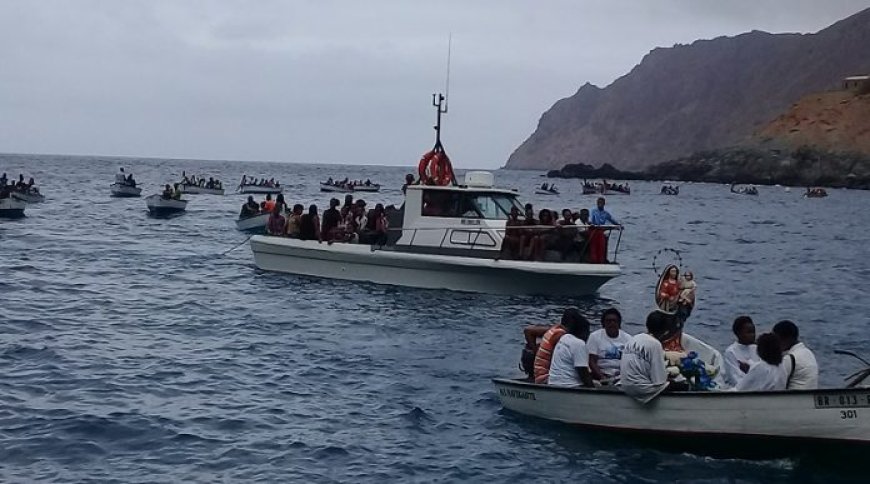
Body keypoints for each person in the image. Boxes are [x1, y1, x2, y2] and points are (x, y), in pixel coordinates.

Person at [620, 310, 681, 403]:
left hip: (624, 385)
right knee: (680, 385)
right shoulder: (655, 344)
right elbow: (659, 381)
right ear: (664, 331)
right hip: (640, 389)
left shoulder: (634, 338)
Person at [525, 308, 585, 384]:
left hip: (540, 373)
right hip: (545, 377)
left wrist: (536, 352)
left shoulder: (554, 329)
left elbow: (528, 330)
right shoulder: (561, 336)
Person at [547, 313, 594, 387]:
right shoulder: (579, 343)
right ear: (582, 331)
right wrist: (593, 389)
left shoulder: (564, 338)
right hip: (570, 386)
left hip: (553, 383)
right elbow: (583, 373)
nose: (588, 335)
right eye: (587, 331)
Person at [587, 308, 633, 383]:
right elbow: (592, 361)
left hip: (621, 377)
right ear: (603, 323)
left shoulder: (628, 338)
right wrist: (603, 378)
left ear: (619, 323)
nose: (612, 323)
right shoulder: (594, 337)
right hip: (600, 376)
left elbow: (631, 362)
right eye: (608, 321)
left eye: (614, 321)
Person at [773, 320, 819, 390]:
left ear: (786, 339)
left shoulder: (790, 359)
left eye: (776, 340)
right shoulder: (808, 353)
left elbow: (774, 385)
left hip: (792, 399)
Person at [723, 316, 759, 388]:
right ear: (738, 333)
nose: (753, 335)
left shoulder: (758, 349)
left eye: (753, 332)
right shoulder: (730, 352)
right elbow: (735, 379)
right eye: (749, 332)